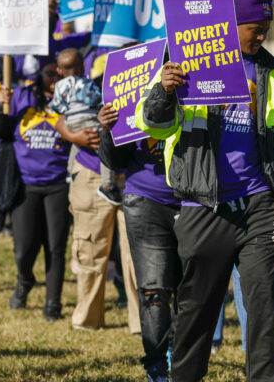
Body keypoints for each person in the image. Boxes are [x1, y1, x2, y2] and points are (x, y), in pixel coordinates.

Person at [135, 0, 274, 382]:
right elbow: (152, 125)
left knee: (266, 310)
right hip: (202, 208)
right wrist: (164, 90)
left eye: (267, 27)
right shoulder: (185, 62)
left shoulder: (272, 72)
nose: (262, 35)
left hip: (261, 204)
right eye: (254, 28)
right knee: (196, 312)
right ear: (231, 23)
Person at [97, 103, 180, 382]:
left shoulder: (199, 79)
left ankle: (182, 359)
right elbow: (115, 161)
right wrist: (107, 129)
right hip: (146, 202)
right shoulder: (130, 89)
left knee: (191, 292)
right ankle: (156, 367)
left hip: (195, 203)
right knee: (153, 291)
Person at [56, 72, 139, 334]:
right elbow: (58, 110)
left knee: (140, 253)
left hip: (137, 176)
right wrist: (69, 133)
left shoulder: (158, 79)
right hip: (91, 175)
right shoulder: (97, 78)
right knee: (91, 247)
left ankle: (145, 322)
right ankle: (88, 320)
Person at [0, 63, 71, 321]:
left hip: (59, 183)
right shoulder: (22, 96)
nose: (54, 79)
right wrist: (2, 107)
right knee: (24, 248)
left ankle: (53, 305)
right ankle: (25, 280)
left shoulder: (70, 96)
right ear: (40, 75)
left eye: (60, 75)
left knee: (55, 247)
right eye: (50, 73)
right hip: (26, 184)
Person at [50, 48, 121, 204]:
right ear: (82, 67)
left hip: (71, 122)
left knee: (77, 144)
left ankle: (70, 172)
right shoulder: (85, 83)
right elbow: (94, 100)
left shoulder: (59, 85)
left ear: (60, 71)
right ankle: (108, 185)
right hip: (89, 120)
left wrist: (68, 111)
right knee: (104, 151)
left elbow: (56, 106)